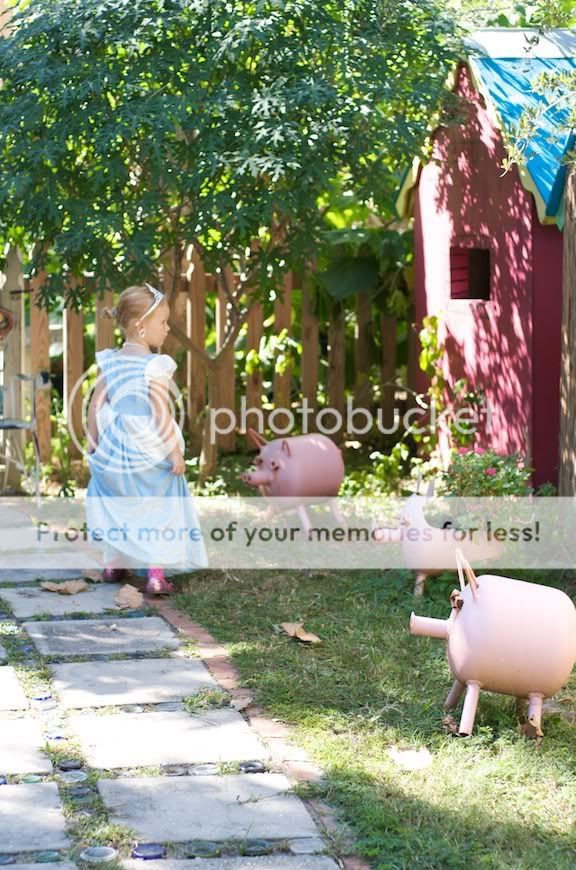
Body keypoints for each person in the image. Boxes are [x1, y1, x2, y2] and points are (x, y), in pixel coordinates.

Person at [85, 283, 208, 594]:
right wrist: (174, 452)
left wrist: (93, 443)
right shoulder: (155, 365)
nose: (167, 328)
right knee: (157, 505)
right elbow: (160, 412)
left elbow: (96, 405)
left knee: (119, 501)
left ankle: (114, 564)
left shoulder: (110, 360)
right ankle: (155, 574)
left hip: (114, 446)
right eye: (163, 322)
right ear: (142, 327)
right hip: (147, 446)